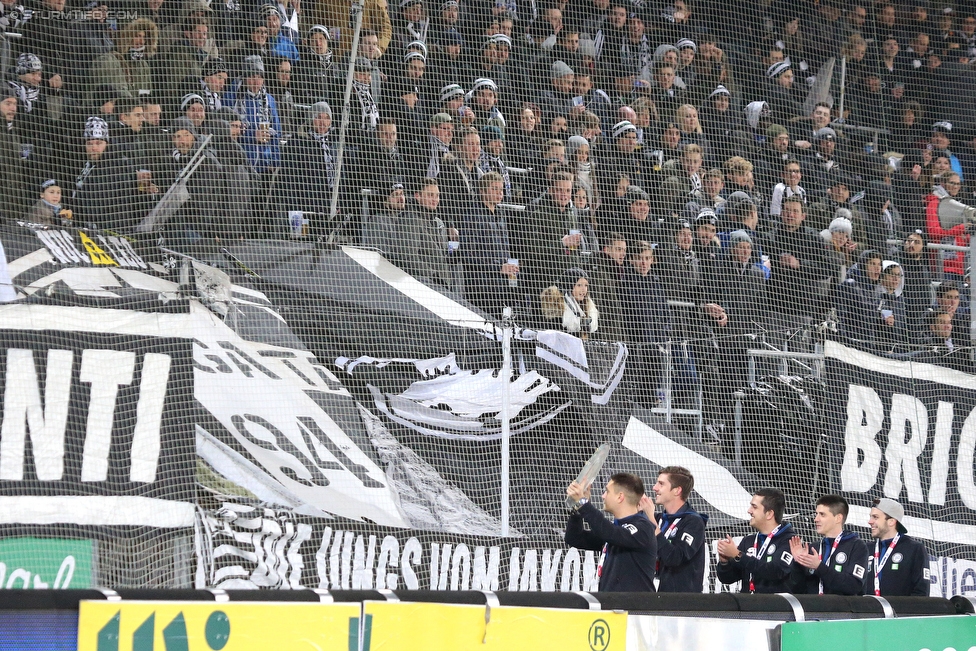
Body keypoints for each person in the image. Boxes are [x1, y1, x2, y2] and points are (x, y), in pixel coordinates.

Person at [564, 472, 658, 592]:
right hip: (612, 606)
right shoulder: (616, 529)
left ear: (620, 497)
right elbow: (574, 538)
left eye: (607, 491)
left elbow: (610, 533)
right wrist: (577, 509)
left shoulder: (643, 528)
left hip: (634, 609)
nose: (603, 496)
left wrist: (583, 503)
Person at [639, 466, 708, 593]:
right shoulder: (659, 519)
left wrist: (651, 520)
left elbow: (674, 558)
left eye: (661, 484)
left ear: (677, 490)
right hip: (656, 598)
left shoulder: (693, 522)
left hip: (681, 604)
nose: (654, 488)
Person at [716, 488, 796, 594]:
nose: (749, 511)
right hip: (748, 607)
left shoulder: (789, 540)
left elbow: (775, 571)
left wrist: (738, 555)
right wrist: (724, 562)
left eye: (754, 507)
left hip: (774, 608)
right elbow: (728, 578)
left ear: (769, 514)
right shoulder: (749, 541)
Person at [788, 495, 868, 595]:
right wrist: (798, 563)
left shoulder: (856, 546)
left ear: (838, 518)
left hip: (842, 610)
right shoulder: (813, 548)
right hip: (813, 609)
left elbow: (853, 585)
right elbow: (797, 590)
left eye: (822, 514)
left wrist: (819, 567)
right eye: (816, 514)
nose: (816, 519)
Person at [864, 498, 930, 597]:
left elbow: (921, 593)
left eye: (875, 517)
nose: (870, 521)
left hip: (900, 612)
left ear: (891, 521)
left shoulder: (914, 549)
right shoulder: (866, 549)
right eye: (870, 517)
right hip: (868, 611)